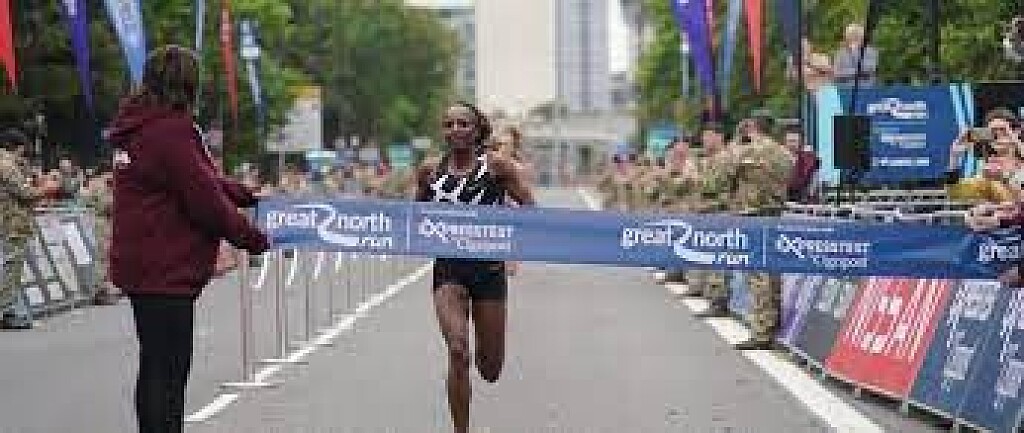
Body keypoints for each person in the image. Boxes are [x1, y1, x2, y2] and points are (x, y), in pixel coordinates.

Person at [107, 45, 269, 433]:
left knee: (153, 366)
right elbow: (204, 199)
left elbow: (197, 179)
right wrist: (253, 238)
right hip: (165, 266)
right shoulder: (172, 130)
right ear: (187, 85)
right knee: (169, 373)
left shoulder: (138, 128)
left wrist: (243, 195)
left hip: (138, 263)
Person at [415, 102, 535, 433]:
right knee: (458, 351)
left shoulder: (497, 167)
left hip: (489, 271)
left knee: (490, 369)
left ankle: (486, 351)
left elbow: (530, 208)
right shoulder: (430, 170)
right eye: (449, 124)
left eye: (463, 124)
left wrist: (509, 244)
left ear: (478, 129)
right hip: (448, 271)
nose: (455, 130)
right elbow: (416, 214)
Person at [0, 129, 39, 330]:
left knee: (8, 267)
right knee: (11, 268)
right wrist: (46, 189)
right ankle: (7, 312)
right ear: (19, 148)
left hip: (7, 221)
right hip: (11, 224)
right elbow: (25, 193)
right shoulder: (7, 164)